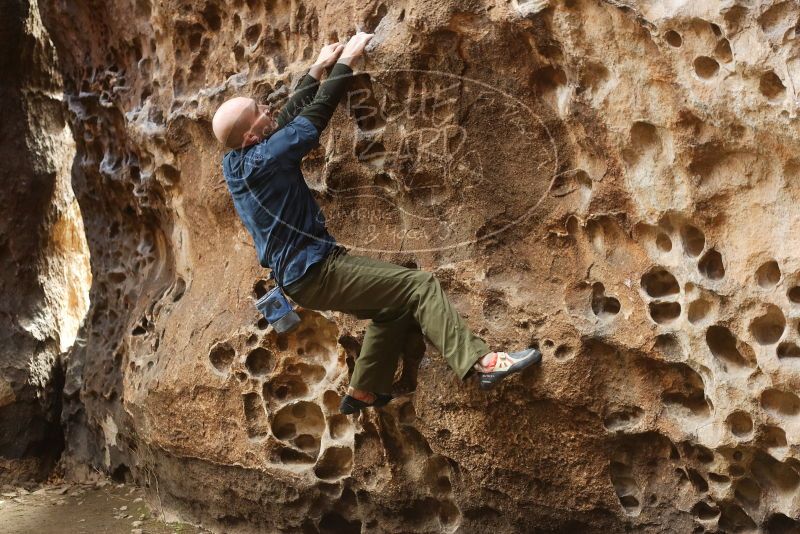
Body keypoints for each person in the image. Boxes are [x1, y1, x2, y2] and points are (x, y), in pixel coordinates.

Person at [212, 32, 542, 415]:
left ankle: (366, 388)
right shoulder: (265, 157)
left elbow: (281, 122)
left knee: (394, 308)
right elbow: (311, 120)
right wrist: (345, 65)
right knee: (419, 286)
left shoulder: (235, 161)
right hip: (317, 270)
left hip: (302, 277)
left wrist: (317, 69)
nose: (268, 108)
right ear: (252, 135)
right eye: (259, 109)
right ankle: (482, 364)